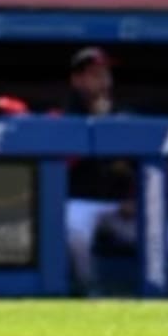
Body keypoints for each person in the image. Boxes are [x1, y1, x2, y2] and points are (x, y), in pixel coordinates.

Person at [58, 48, 150, 292]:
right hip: (79, 202)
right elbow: (65, 165)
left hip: (120, 206)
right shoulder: (62, 118)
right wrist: (97, 127)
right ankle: (90, 289)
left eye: (106, 74)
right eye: (94, 75)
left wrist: (134, 199)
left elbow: (145, 167)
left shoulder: (125, 117)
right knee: (75, 228)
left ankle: (154, 292)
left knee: (165, 235)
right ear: (77, 80)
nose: (103, 81)